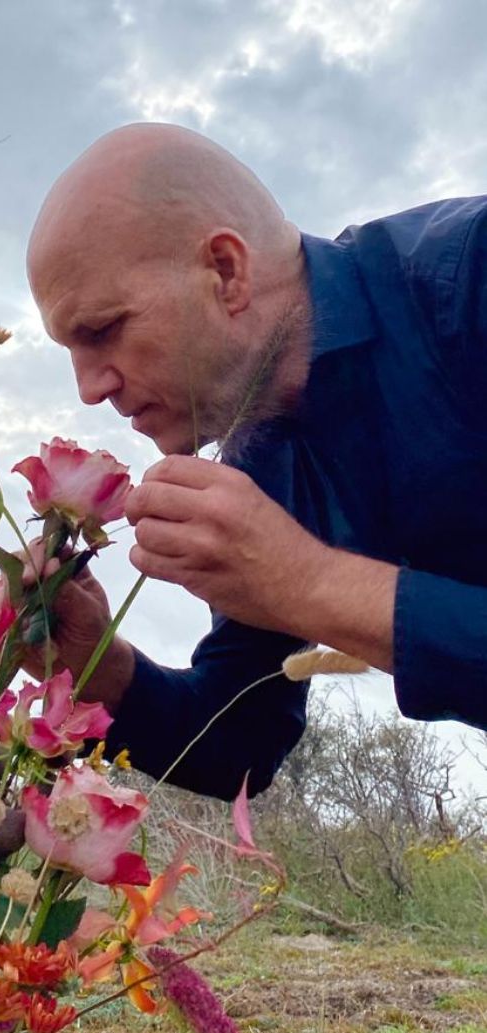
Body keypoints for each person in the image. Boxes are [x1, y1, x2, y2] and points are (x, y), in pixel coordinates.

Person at [25, 122, 487, 799]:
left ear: (225, 271)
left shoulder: (467, 277)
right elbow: (240, 745)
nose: (89, 387)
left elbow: (305, 582)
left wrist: (309, 582)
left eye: (102, 330)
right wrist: (102, 669)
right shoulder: (255, 468)